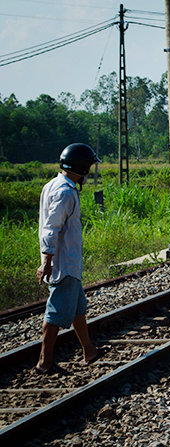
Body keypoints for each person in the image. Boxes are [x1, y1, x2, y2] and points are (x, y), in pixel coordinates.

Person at [36, 143, 105, 374]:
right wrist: (46, 261)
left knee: (78, 309)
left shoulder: (53, 185)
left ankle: (89, 350)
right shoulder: (65, 192)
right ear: (82, 168)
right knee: (54, 315)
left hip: (69, 262)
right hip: (64, 264)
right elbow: (51, 228)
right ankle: (45, 363)